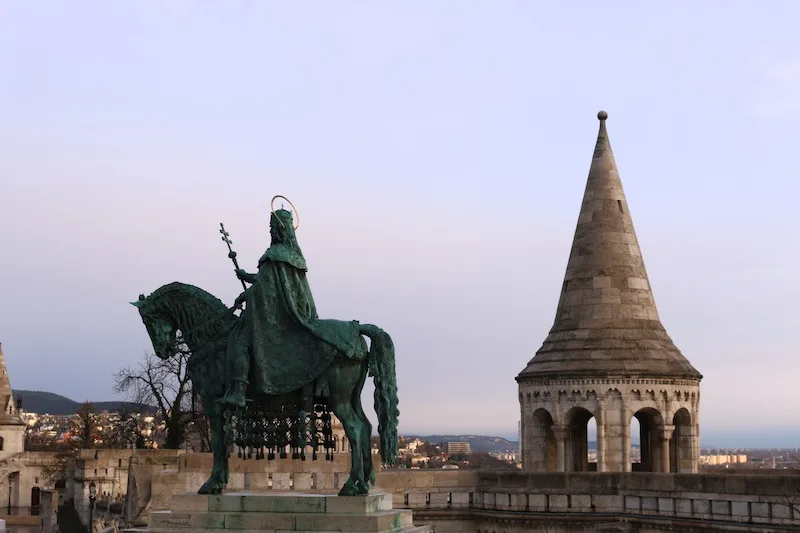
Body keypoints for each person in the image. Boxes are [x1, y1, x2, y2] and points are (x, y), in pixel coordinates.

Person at [218, 208, 365, 407]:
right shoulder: (294, 256)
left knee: (240, 342)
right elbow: (271, 283)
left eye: (271, 227)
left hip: (279, 316)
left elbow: (266, 290)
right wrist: (247, 277)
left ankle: (238, 392)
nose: (270, 231)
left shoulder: (274, 254)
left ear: (278, 228)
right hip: (296, 310)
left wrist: (247, 294)